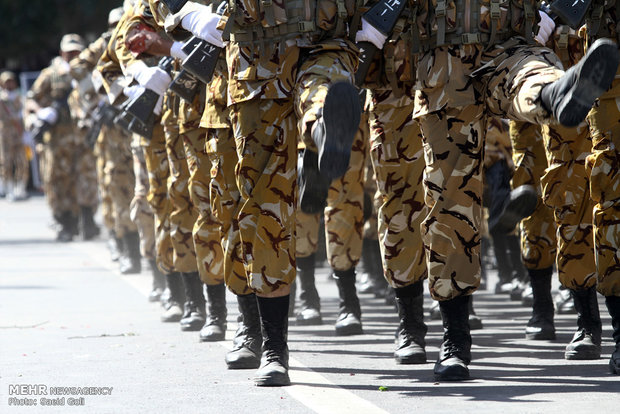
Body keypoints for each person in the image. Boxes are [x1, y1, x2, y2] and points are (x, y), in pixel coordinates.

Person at [410, 1, 619, 381]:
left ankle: (558, 94)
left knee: (534, 82)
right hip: (443, 61)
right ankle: (455, 338)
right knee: (449, 204)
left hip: (513, 44)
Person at [27, 34, 100, 242]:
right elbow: (31, 100)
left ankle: (87, 221)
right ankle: (65, 223)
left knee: (87, 180)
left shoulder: (90, 73)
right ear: (62, 53)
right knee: (60, 183)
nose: (74, 56)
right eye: (70, 52)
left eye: (77, 52)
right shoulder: (50, 75)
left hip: (84, 137)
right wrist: (42, 112)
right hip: (59, 140)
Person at [0, 71, 29, 201]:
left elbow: (25, 113)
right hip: (6, 135)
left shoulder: (20, 96)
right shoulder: (1, 99)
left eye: (11, 81)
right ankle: (9, 188)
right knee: (6, 162)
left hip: (19, 134)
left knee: (22, 161)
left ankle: (20, 187)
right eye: (6, 81)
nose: (9, 84)